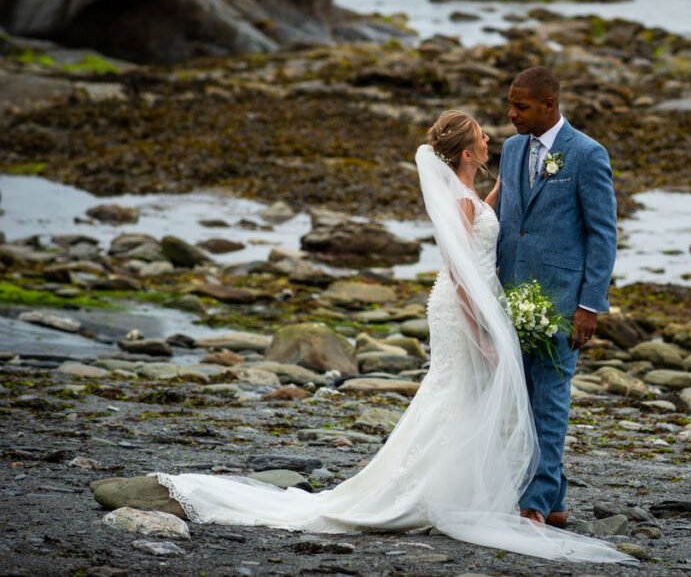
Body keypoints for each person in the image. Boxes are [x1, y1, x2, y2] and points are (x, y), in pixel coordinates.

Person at [148, 110, 633, 564]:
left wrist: (509, 191)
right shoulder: (463, 201)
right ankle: (431, 493)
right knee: (456, 395)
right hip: (464, 307)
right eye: (482, 138)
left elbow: (488, 218)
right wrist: (479, 328)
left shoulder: (468, 196)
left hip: (480, 302)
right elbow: (463, 275)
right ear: (467, 154)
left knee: (461, 395)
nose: (493, 139)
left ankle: (523, 494)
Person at [495, 67, 618, 528]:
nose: (511, 114)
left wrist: (590, 305)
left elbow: (603, 234)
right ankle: (557, 499)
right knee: (527, 400)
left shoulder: (587, 155)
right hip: (512, 296)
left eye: (521, 106)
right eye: (510, 104)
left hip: (562, 304)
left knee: (549, 398)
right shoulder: (509, 150)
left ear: (550, 106)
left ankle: (537, 501)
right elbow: (508, 217)